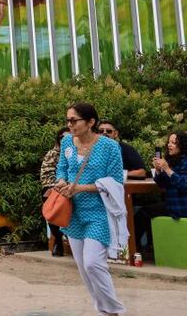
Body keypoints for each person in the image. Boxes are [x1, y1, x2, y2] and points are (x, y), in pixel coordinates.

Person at [53, 102, 124, 316]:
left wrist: (81, 187)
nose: (70, 124)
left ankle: (113, 309)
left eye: (74, 120)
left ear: (91, 122)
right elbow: (61, 169)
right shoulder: (67, 141)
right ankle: (102, 309)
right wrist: (61, 181)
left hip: (99, 212)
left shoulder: (109, 147)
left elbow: (116, 181)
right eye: (67, 120)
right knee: (84, 268)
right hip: (73, 213)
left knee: (93, 263)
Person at [136, 131, 187, 258]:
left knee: (144, 213)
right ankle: (149, 248)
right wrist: (159, 172)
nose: (169, 145)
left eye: (174, 143)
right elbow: (163, 185)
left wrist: (167, 169)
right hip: (175, 204)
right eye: (169, 142)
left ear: (183, 145)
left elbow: (185, 185)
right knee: (148, 211)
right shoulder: (175, 161)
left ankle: (137, 249)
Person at [39, 127, 67, 256]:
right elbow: (47, 175)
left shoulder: (83, 152)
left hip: (78, 187)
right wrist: (57, 187)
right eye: (62, 137)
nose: (65, 139)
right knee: (50, 200)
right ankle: (57, 238)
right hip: (58, 187)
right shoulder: (53, 154)